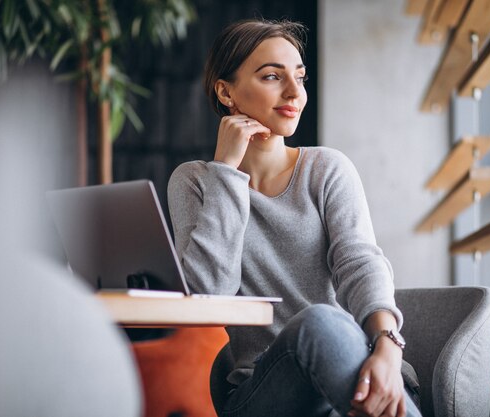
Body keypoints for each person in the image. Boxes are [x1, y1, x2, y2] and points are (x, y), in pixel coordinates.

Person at [167, 18, 422, 417]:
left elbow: (360, 262)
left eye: (300, 78)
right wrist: (226, 173)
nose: (294, 93)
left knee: (326, 328)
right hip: (263, 394)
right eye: (272, 76)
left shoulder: (327, 169)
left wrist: (387, 348)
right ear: (226, 91)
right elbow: (208, 292)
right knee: (318, 323)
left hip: (344, 377)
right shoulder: (196, 182)